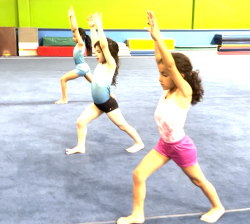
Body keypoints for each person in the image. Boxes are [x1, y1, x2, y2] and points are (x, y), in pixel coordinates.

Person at [117, 11, 225, 224]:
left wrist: (159, 37)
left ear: (179, 77)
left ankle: (218, 206)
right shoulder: (168, 90)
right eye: (160, 74)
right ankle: (138, 215)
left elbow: (171, 66)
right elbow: (162, 61)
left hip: (181, 147)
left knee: (197, 180)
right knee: (138, 175)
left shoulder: (183, 92)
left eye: (164, 75)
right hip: (165, 145)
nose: (160, 79)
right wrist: (153, 40)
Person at [66, 12, 144, 155]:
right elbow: (98, 43)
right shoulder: (102, 63)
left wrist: (100, 26)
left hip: (108, 103)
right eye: (95, 52)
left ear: (107, 53)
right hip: (97, 103)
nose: (96, 54)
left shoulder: (110, 64)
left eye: (98, 52)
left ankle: (139, 143)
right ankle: (80, 146)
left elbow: (103, 45)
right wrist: (92, 28)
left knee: (122, 125)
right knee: (80, 121)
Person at [55, 6, 93, 104]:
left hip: (81, 68)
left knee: (63, 79)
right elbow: (73, 29)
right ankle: (110, 95)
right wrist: (69, 17)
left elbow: (75, 28)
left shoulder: (81, 44)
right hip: (84, 67)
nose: (73, 37)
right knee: (96, 84)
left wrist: (73, 15)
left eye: (74, 36)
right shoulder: (79, 44)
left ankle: (64, 99)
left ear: (80, 36)